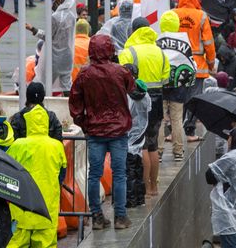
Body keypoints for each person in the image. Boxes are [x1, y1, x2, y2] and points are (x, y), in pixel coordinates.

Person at [69, 35, 135, 230]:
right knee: (120, 174)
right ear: (111, 50)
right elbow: (132, 89)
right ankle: (121, 217)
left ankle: (97, 216)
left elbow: (75, 104)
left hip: (96, 131)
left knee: (94, 174)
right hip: (118, 130)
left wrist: (85, 124)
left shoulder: (84, 74)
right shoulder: (120, 72)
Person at [119, 17, 170, 196]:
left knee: (141, 146)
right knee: (153, 144)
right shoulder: (160, 53)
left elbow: (121, 76)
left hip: (137, 100)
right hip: (157, 99)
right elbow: (166, 79)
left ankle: (145, 186)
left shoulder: (128, 51)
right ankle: (154, 187)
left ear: (133, 31)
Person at [6, 104, 67, 248]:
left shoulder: (18, 145)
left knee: (17, 242)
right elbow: (62, 173)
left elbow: (7, 169)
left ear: (29, 122)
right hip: (47, 205)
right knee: (46, 243)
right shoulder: (56, 146)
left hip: (21, 204)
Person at [174, 0, 216, 141]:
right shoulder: (202, 16)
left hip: (177, 64)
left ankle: (174, 131)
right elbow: (209, 43)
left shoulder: (173, 14)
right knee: (194, 99)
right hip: (197, 65)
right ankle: (189, 131)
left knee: (176, 98)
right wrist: (211, 64)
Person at [157, 10, 196, 162]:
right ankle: (178, 151)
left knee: (160, 119)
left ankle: (158, 151)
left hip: (160, 84)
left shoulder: (157, 40)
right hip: (179, 87)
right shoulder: (184, 40)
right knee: (177, 119)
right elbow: (191, 65)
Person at [126, 79, 150, 208]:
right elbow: (148, 110)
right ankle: (140, 198)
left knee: (128, 171)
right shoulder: (145, 95)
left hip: (128, 138)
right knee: (138, 169)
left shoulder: (126, 95)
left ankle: (130, 200)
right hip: (140, 136)